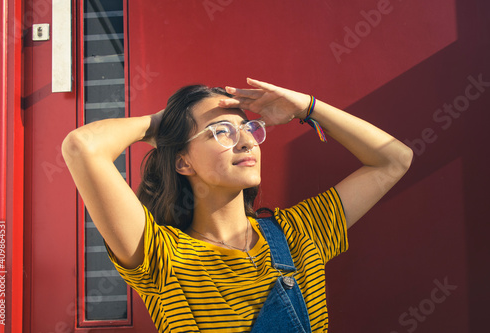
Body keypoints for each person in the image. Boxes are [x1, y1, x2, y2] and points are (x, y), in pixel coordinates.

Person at [62, 78, 413, 332]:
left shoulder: (300, 232)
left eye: (249, 129)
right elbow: (82, 147)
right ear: (183, 162)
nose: (246, 141)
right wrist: (160, 124)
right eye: (221, 131)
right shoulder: (161, 256)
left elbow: (395, 159)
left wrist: (306, 107)